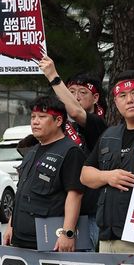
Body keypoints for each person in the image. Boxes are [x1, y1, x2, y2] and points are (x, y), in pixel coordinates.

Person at [81, 71, 134, 254]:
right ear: (115, 102)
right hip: (107, 238)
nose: (129, 100)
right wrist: (107, 176)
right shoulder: (109, 135)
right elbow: (85, 174)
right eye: (122, 95)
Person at [38, 56, 108, 250]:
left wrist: (52, 76)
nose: (75, 97)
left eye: (82, 92)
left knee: (87, 264)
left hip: (88, 213)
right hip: (58, 211)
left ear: (95, 98)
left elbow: (76, 112)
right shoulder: (59, 127)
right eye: (70, 92)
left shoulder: (99, 125)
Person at [3, 95, 85, 251]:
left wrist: (67, 233)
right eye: (33, 117)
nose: (35, 121)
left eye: (42, 117)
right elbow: (21, 192)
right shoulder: (32, 151)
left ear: (58, 121)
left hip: (48, 240)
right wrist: (10, 225)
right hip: (21, 238)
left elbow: (75, 195)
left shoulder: (70, 151)